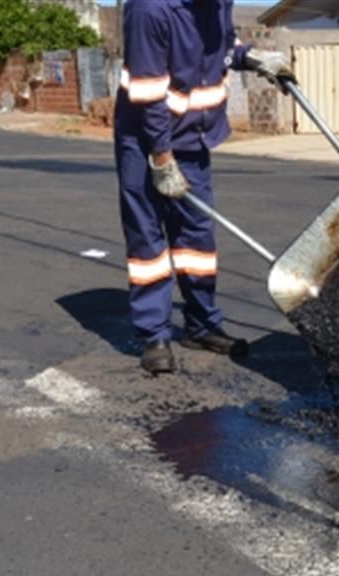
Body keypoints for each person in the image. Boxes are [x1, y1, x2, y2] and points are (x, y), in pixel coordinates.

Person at [116, 0, 292, 374]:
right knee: (148, 237)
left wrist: (252, 58)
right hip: (145, 138)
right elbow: (148, 93)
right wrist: (161, 158)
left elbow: (222, 50)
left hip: (194, 136)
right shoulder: (150, 9)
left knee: (196, 235)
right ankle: (154, 335)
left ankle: (202, 325)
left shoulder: (217, 4)